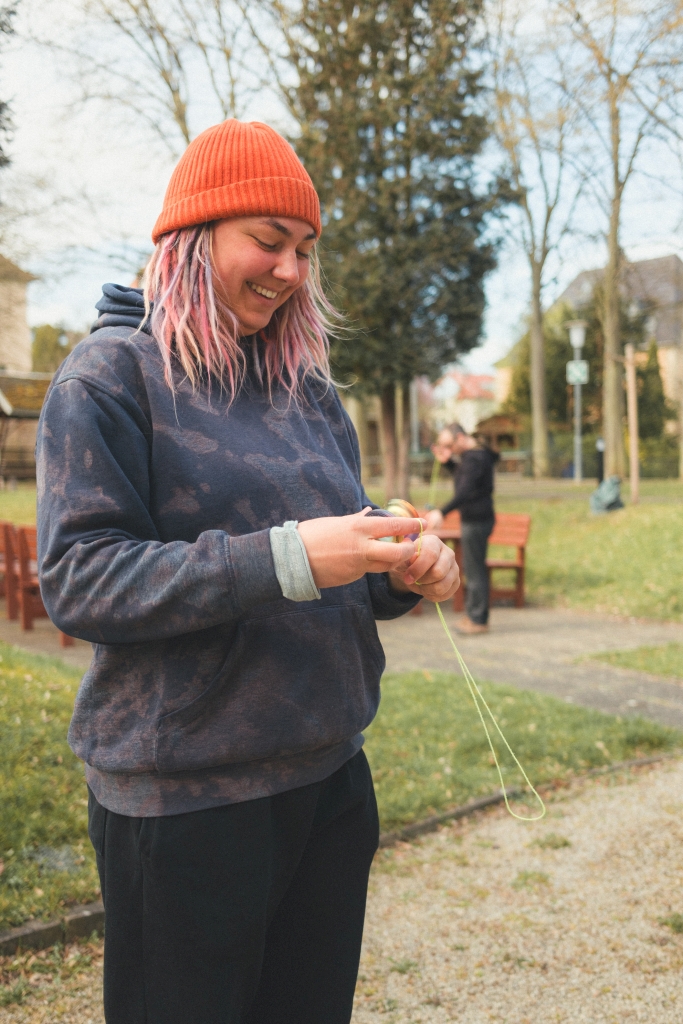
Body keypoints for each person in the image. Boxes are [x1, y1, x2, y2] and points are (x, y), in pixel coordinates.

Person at [36, 119, 459, 1024]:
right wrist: (292, 558)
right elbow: (80, 579)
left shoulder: (309, 388)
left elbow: (335, 558)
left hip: (329, 780)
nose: (291, 271)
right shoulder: (108, 377)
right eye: (268, 241)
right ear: (192, 240)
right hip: (187, 803)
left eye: (304, 248)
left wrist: (396, 569)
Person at [425, 423, 498, 634]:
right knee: (471, 566)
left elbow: (464, 491)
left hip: (477, 520)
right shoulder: (472, 457)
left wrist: (442, 511)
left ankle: (478, 619)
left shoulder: (475, 458)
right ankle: (474, 615)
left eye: (449, 445)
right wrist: (448, 464)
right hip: (475, 519)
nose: (449, 450)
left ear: (460, 438)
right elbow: (463, 477)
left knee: (474, 570)